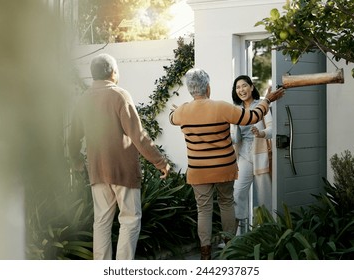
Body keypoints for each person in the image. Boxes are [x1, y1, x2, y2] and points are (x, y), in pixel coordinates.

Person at [169, 68, 284, 259]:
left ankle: (205, 253)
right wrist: (268, 99)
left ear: (190, 90)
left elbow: (172, 118)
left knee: (203, 210)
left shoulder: (182, 112)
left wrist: (182, 109)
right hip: (224, 167)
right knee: (226, 203)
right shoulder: (222, 107)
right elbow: (252, 117)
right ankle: (231, 247)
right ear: (208, 87)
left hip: (199, 171)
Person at [68, 53, 171, 260]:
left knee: (102, 222)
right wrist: (160, 162)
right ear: (113, 72)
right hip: (123, 171)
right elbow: (138, 136)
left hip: (97, 170)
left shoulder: (83, 99)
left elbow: (72, 137)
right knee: (130, 220)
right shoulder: (120, 95)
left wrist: (77, 160)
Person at [230, 75, 273, 235]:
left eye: (244, 86)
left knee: (264, 197)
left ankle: (268, 235)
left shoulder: (262, 106)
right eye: (238, 87)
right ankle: (232, 237)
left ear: (251, 87)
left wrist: (260, 132)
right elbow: (235, 137)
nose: (241, 90)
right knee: (237, 194)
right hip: (243, 156)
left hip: (260, 155)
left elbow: (272, 129)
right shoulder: (236, 110)